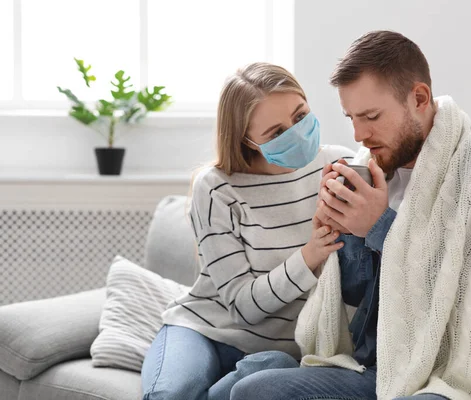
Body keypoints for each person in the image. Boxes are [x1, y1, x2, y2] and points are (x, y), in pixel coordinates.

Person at [230, 31, 471, 400]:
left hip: (451, 377)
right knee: (254, 390)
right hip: (377, 369)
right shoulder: (372, 170)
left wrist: (379, 227)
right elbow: (356, 305)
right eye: (351, 117)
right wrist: (346, 232)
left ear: (419, 98)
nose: (359, 133)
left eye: (371, 116)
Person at [140, 62, 355, 400]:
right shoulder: (216, 188)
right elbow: (243, 307)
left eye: (300, 116)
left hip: (279, 354)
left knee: (270, 366)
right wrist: (310, 256)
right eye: (276, 133)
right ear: (247, 141)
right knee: (174, 393)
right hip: (205, 330)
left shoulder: (342, 166)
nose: (296, 133)